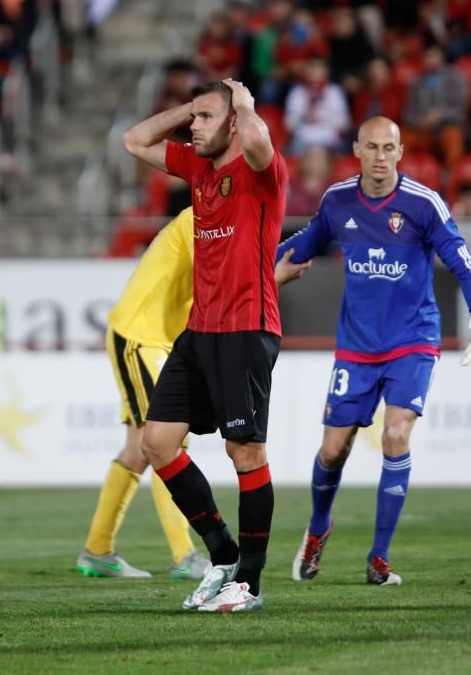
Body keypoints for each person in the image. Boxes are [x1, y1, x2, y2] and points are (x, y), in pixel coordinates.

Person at [275, 116, 471, 587]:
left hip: (413, 341)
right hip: (356, 348)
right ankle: (318, 528)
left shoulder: (424, 205)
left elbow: (462, 261)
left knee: (396, 435)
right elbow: (309, 240)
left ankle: (379, 557)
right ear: (356, 150)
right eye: (372, 147)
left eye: (389, 148)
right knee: (332, 450)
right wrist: (265, 262)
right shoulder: (338, 201)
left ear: (401, 152)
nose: (380, 157)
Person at [122, 77, 289, 612]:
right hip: (200, 330)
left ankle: (252, 583)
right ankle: (222, 556)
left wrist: (242, 105)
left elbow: (260, 142)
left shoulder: (263, 171)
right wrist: (191, 110)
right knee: (157, 443)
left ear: (236, 121)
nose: (194, 128)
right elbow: (134, 140)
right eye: (194, 119)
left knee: (245, 452)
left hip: (246, 328)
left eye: (205, 119)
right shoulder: (198, 166)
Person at [76, 208, 209, 581]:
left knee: (138, 449)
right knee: (167, 443)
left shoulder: (215, 216)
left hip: (154, 339)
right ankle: (185, 556)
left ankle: (97, 551)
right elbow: (217, 279)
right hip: (140, 335)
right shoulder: (202, 217)